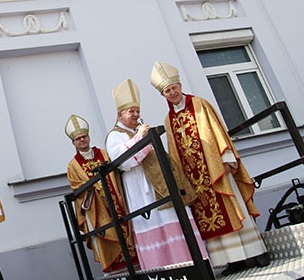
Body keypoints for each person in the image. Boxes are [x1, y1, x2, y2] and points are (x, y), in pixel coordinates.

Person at [150, 61, 270, 275]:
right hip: (194, 180)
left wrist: (226, 157)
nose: (172, 92)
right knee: (206, 217)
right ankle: (232, 260)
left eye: (174, 88)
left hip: (215, 169)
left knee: (232, 207)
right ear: (163, 95)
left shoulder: (199, 104)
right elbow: (174, 151)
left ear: (179, 85)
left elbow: (216, 129)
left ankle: (256, 252)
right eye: (167, 91)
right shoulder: (168, 119)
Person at [105, 78, 206, 271]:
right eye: (131, 112)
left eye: (137, 111)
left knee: (177, 222)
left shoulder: (137, 130)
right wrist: (140, 137)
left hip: (160, 188)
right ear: (119, 114)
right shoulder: (114, 136)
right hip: (141, 194)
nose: (136, 115)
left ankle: (195, 268)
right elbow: (123, 163)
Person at [65, 114, 138, 274]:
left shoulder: (104, 154)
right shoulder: (73, 166)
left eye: (84, 137)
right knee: (108, 239)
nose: (82, 140)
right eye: (78, 139)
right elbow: (76, 188)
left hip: (118, 202)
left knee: (129, 236)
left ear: (89, 137)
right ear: (73, 143)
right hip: (98, 211)